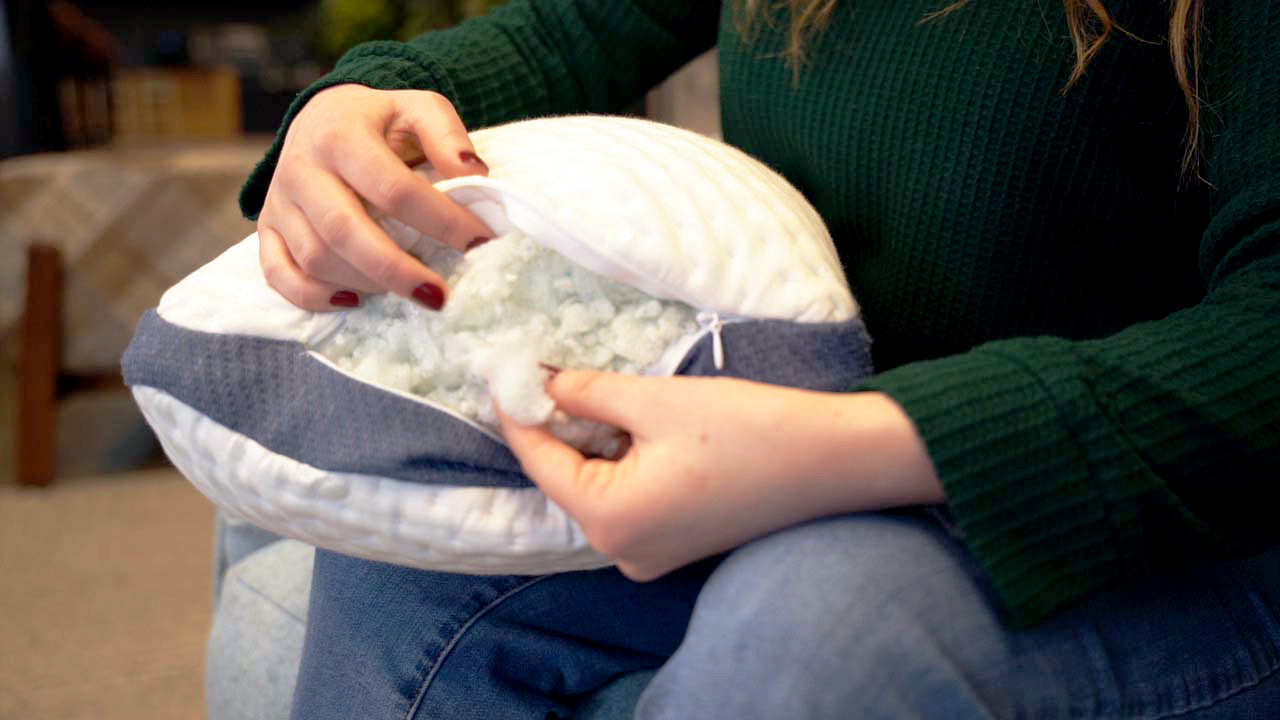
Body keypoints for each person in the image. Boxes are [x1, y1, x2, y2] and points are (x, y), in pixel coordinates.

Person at [239, 0, 1280, 717]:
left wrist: (850, 445)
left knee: (809, 626)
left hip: (1175, 525)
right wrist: (363, 101)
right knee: (398, 568)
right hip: (822, 445)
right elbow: (576, 24)